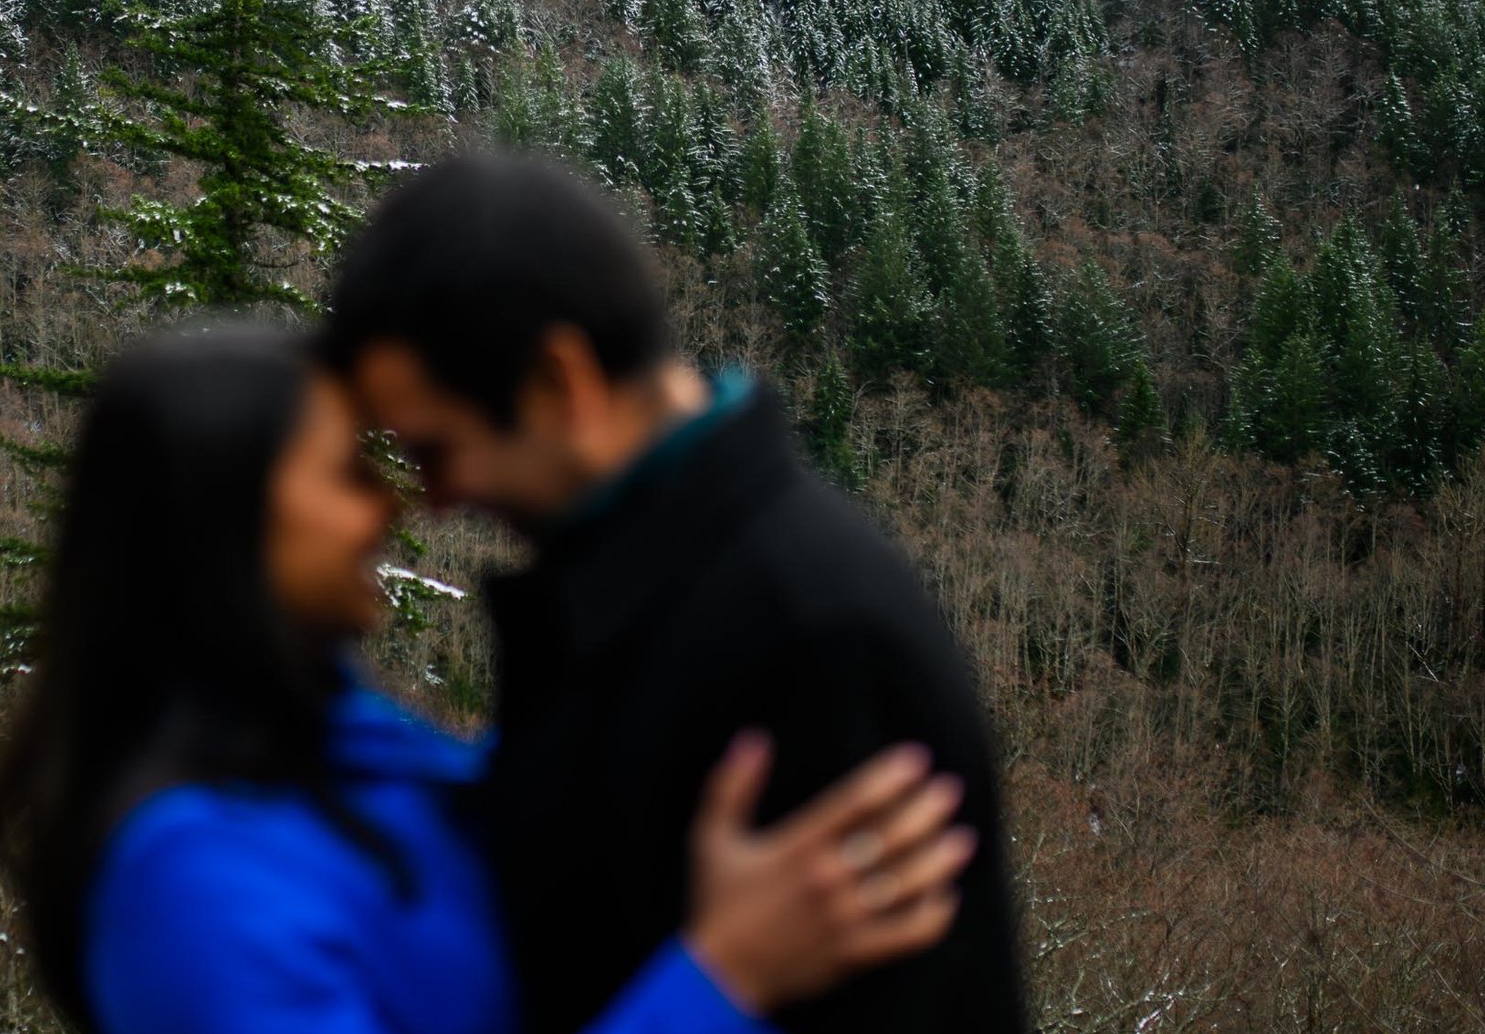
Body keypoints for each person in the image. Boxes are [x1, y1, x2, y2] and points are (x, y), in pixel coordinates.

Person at [0, 324, 980, 1034]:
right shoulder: (184, 884)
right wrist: (726, 974)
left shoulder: (345, 752)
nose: (394, 506)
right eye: (348, 472)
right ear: (224, 522)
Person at [323, 153, 1031, 1034]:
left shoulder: (812, 639)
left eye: (436, 449)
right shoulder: (637, 595)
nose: (428, 497)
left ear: (558, 384)